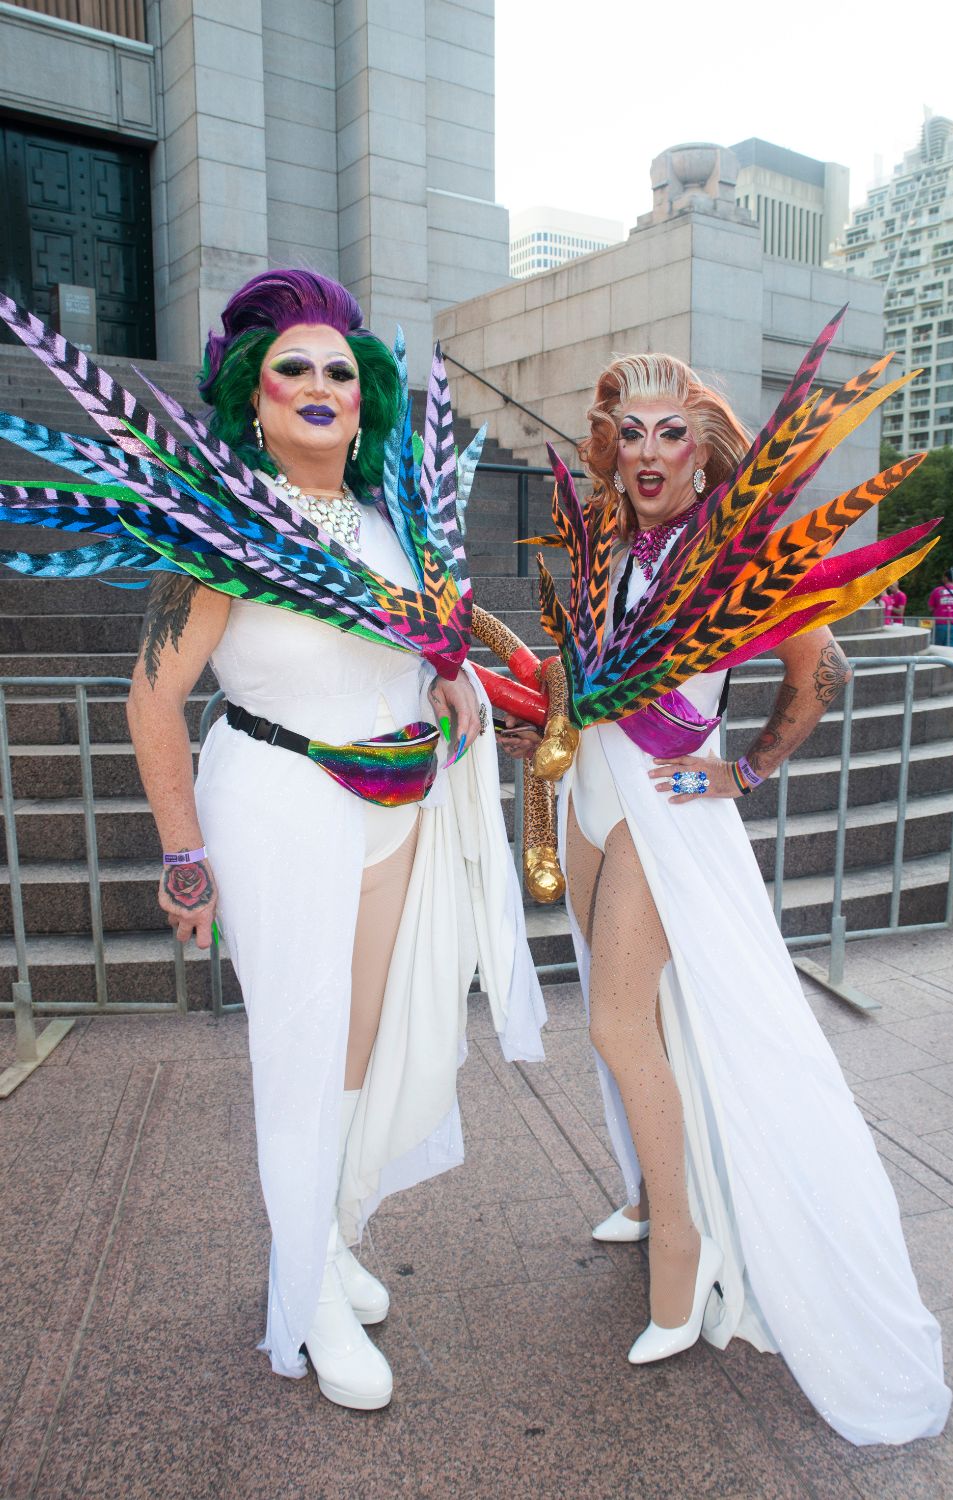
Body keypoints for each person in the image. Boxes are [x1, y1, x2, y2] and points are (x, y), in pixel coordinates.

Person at [0, 273, 546, 1412]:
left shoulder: (392, 524)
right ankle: (301, 1296)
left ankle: (330, 1235)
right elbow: (152, 702)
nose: (317, 384)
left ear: (366, 402)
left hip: (394, 803)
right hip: (277, 804)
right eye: (292, 367)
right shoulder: (221, 532)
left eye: (340, 371)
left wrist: (452, 685)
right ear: (253, 396)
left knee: (355, 1038)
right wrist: (183, 853)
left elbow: (415, 651)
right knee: (297, 1055)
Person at [509, 328, 950, 1446]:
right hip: (597, 791)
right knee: (639, 1014)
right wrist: (540, 707)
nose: (648, 451)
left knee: (614, 1023)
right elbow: (579, 665)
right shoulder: (605, 542)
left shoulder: (736, 554)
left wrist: (741, 768)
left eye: (673, 434)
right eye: (630, 433)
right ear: (610, 450)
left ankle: (685, 1250)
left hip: (667, 806)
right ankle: (657, 1189)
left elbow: (822, 673)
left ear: (706, 454)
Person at [928, 569, 953, 646]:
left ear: (946, 578)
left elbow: (930, 608)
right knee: (951, 651)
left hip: (940, 624)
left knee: (938, 650)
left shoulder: (937, 590)